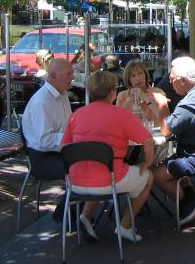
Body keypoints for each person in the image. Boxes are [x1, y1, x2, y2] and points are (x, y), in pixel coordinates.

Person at [61, 70, 155, 243]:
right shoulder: (121, 115)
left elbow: (64, 147)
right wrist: (146, 163)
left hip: (75, 183)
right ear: (112, 93)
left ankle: (84, 216)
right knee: (148, 177)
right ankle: (125, 226)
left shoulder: (76, 115)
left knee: (100, 168)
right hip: (110, 180)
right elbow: (148, 141)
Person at [144, 56, 195, 227]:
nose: (171, 82)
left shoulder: (188, 104)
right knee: (173, 162)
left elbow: (166, 130)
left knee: (158, 173)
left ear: (182, 80)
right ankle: (192, 201)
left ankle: (187, 206)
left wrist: (161, 105)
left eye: (172, 79)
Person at [21, 58, 74, 223]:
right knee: (81, 172)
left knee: (93, 163)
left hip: (61, 151)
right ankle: (65, 213)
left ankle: (76, 212)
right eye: (68, 74)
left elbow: (69, 126)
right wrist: (73, 138)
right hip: (42, 157)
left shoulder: (63, 94)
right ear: (53, 76)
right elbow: (45, 141)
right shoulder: (42, 101)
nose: (72, 77)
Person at [117, 59, 171, 126]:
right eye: (133, 76)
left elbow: (165, 120)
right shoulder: (122, 95)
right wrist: (128, 101)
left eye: (140, 74)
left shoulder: (158, 93)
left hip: (155, 134)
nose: (137, 78)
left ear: (145, 74)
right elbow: (116, 120)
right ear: (128, 79)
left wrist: (147, 99)